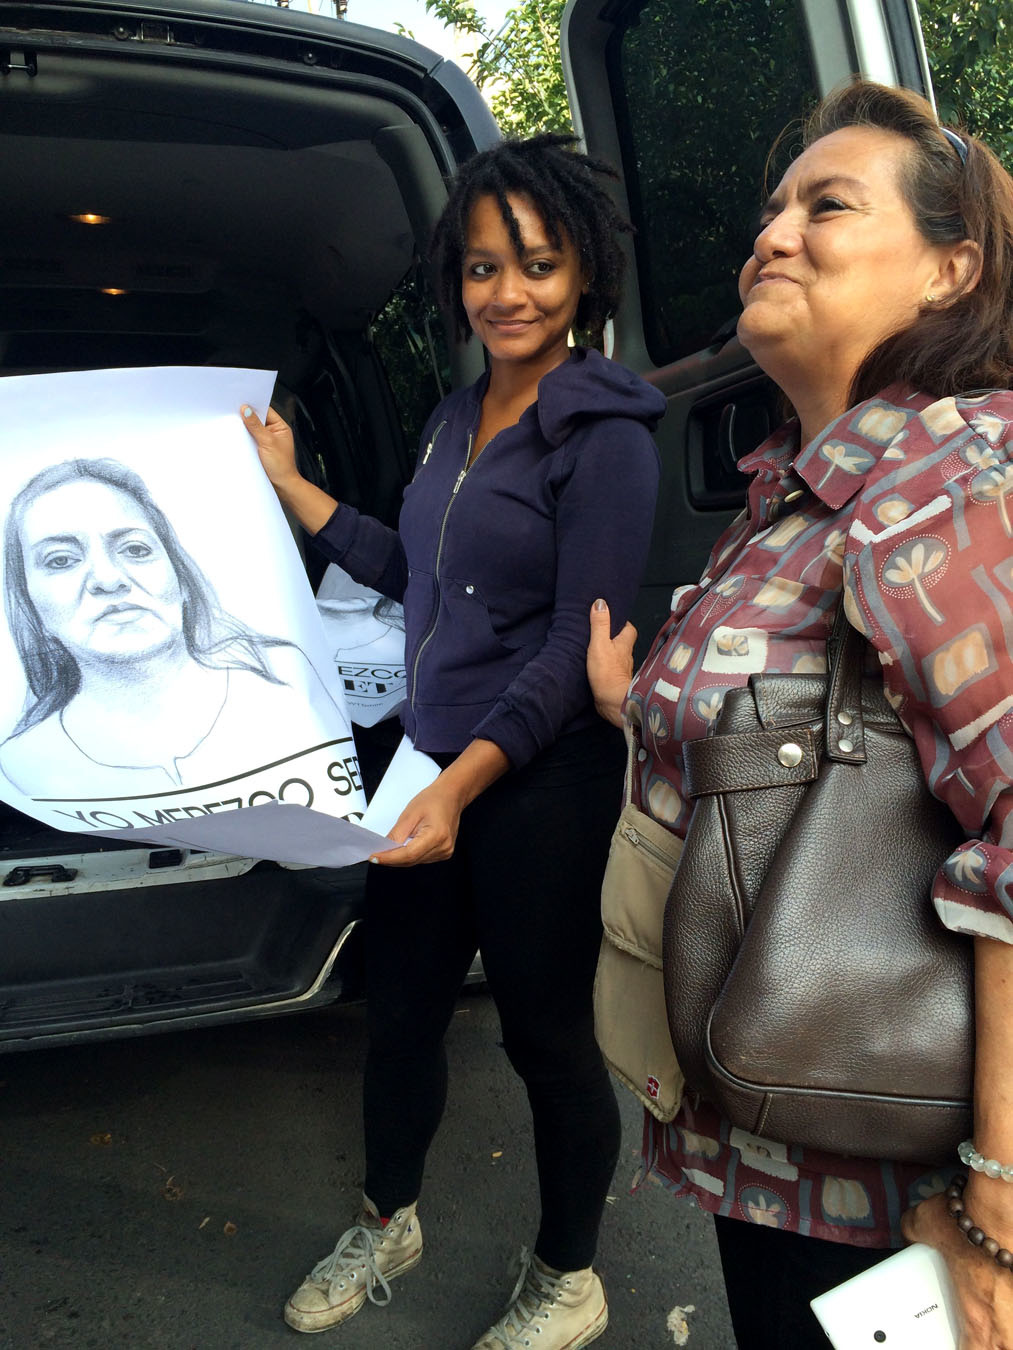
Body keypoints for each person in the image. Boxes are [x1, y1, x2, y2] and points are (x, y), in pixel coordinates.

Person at [587, 80, 1013, 1348]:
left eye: (825, 206)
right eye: (770, 211)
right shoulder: (796, 492)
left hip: (899, 1192)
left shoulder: (953, 480)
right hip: (779, 1144)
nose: (769, 234)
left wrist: (997, 1207)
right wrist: (637, 708)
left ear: (948, 270)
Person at [241, 133, 664, 1347]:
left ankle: (567, 1277)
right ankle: (388, 1220)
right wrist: (295, 490)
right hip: (431, 767)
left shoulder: (605, 439)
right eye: (482, 267)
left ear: (583, 271)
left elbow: (566, 651)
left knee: (545, 1038)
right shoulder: (450, 417)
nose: (507, 292)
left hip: (536, 782)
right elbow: (416, 577)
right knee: (401, 1014)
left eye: (536, 263)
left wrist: (461, 783)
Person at [0, 457, 337, 798]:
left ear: (182, 578)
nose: (108, 579)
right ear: (28, 604)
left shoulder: (281, 674)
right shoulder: (23, 761)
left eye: (135, 549)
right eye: (60, 560)